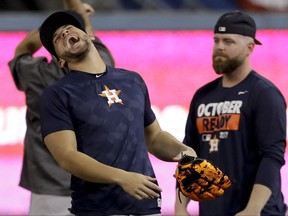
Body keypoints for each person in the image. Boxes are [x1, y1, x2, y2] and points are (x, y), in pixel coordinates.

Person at [38, 8, 197, 215]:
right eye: (58, 38)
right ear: (60, 60)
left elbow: (155, 137)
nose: (65, 33)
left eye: (69, 28)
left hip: (146, 205)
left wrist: (186, 152)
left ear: (89, 35)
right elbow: (67, 157)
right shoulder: (58, 94)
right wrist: (122, 177)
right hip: (95, 209)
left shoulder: (132, 80)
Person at [174, 11, 287, 216]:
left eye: (228, 41)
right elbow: (189, 155)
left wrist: (252, 210)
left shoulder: (264, 94)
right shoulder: (203, 96)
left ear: (249, 47)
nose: (219, 47)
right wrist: (180, 207)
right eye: (216, 40)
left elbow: (272, 156)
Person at [8, 1, 115, 215]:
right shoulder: (106, 67)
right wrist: (78, 17)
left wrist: (50, 30)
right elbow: (91, 41)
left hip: (50, 193)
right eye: (59, 35)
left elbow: (22, 50)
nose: (66, 34)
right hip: (97, 189)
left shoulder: (37, 74)